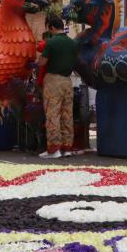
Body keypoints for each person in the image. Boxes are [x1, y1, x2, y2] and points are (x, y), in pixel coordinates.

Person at [36, 16, 77, 158]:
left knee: (53, 113)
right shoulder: (72, 43)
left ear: (52, 27)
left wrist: (38, 61)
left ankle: (54, 149)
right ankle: (67, 148)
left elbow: (42, 62)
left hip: (53, 80)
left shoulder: (52, 42)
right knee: (67, 114)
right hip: (68, 81)